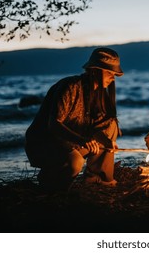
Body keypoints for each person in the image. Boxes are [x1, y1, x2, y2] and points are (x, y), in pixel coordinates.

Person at [25, 48, 123, 191]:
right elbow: (54, 125)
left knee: (111, 124)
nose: (112, 78)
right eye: (109, 73)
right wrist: (82, 140)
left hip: (71, 143)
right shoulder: (70, 87)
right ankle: (52, 184)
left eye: (114, 74)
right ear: (94, 70)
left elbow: (97, 127)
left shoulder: (99, 94)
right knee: (75, 162)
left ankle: (97, 178)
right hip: (45, 144)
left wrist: (107, 142)